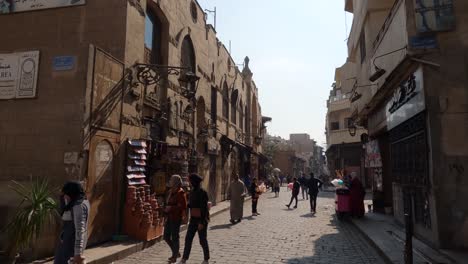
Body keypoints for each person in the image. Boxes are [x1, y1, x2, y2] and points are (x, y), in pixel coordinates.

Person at [54, 181, 90, 264]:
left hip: (71, 246)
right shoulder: (81, 201)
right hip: (67, 243)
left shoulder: (78, 206)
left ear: (71, 193)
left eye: (66, 194)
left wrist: (77, 253)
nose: (64, 197)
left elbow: (80, 230)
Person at [178, 174, 210, 264]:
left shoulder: (202, 192)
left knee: (202, 240)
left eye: (190, 181)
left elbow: (204, 208)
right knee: (188, 239)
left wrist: (202, 222)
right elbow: (191, 204)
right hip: (193, 219)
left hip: (201, 219)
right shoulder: (192, 192)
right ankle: (184, 258)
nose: (189, 183)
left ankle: (206, 258)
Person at [164, 175, 187, 263]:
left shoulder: (180, 193)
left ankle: (174, 256)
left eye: (171, 180)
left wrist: (171, 208)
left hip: (176, 218)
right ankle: (176, 252)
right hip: (169, 217)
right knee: (166, 236)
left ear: (175, 182)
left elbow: (183, 206)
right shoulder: (170, 192)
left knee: (175, 237)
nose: (170, 181)